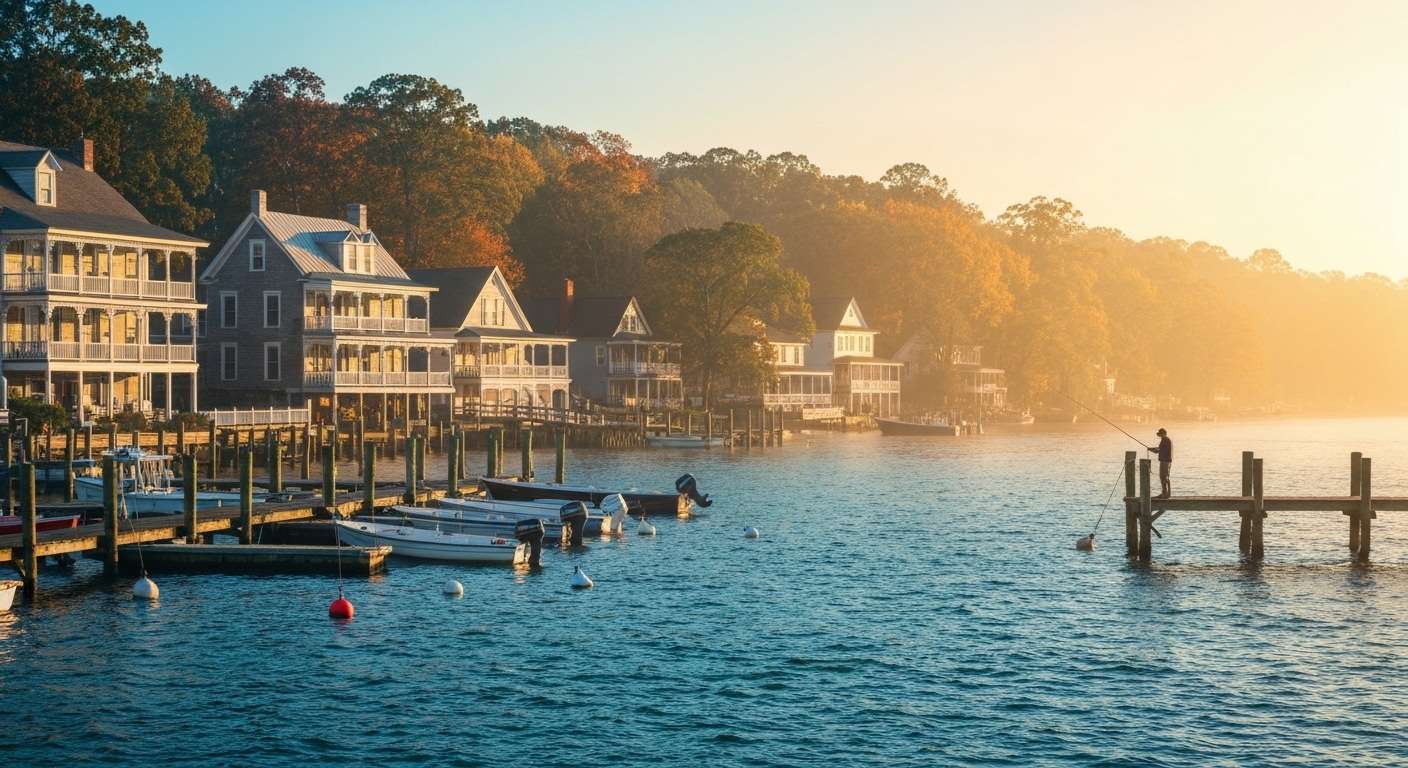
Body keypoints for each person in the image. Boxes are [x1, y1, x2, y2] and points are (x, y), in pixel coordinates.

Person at [1147, 428, 1172, 499]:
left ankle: (1165, 494)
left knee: (1163, 477)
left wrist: (1150, 449)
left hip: (1165, 461)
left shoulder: (1165, 440)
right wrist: (1151, 449)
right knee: (1166, 477)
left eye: (1160, 434)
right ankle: (1167, 493)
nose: (1159, 436)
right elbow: (1159, 449)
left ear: (1162, 434)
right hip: (1167, 461)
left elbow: (1158, 450)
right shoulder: (1166, 440)